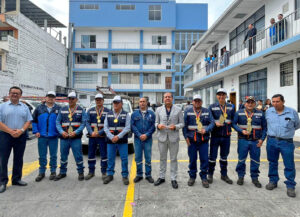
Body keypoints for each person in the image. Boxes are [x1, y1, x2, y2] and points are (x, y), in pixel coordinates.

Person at [265, 94, 300, 198]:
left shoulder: (292, 112)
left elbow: (297, 125)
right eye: (273, 102)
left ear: (283, 102)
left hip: (286, 142)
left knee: (289, 164)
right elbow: (265, 124)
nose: (275, 104)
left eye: (277, 101)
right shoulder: (268, 112)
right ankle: (273, 181)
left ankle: (290, 186)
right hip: (271, 141)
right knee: (272, 162)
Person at [0, 86, 32, 193]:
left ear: (20, 95)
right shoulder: (2, 106)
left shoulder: (25, 107)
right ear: (9, 94)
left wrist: (21, 131)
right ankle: (2, 182)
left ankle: (16, 179)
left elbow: (28, 121)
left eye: (17, 93)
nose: (14, 95)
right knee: (3, 159)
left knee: (19, 158)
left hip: (20, 135)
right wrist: (10, 131)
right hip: (5, 135)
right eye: (12, 93)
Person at [232, 96, 267, 188]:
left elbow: (264, 128)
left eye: (252, 102)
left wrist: (262, 139)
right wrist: (241, 130)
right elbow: (233, 124)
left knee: (255, 161)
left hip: (256, 141)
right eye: (248, 102)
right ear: (245, 103)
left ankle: (255, 178)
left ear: (255, 104)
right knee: (241, 160)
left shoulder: (260, 113)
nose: (250, 104)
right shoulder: (239, 113)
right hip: (243, 140)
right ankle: (240, 176)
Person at [183, 95, 215, 188]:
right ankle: (192, 177)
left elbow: (212, 123)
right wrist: (186, 138)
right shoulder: (188, 111)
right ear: (193, 102)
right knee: (192, 160)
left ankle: (204, 177)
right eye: (195, 101)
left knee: (204, 160)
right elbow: (185, 126)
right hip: (192, 141)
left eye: (199, 101)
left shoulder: (207, 111)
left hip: (203, 140)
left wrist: (206, 130)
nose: (197, 102)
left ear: (201, 102)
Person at [154, 92, 184, 189]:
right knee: (162, 158)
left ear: (172, 98)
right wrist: (158, 126)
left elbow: (182, 123)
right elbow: (155, 122)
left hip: (173, 138)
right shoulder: (158, 110)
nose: (167, 98)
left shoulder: (178, 110)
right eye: (165, 97)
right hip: (162, 138)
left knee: (173, 159)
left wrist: (175, 127)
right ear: (163, 99)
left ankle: (173, 178)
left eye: (169, 97)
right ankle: (161, 177)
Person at [55, 92, 86, 181]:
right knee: (63, 156)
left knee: (78, 156)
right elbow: (57, 122)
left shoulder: (81, 110)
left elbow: (83, 123)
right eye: (69, 98)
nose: (71, 100)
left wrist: (76, 132)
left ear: (76, 99)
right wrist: (61, 132)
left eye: (73, 98)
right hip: (64, 137)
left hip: (75, 138)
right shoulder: (63, 109)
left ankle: (80, 172)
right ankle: (62, 172)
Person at [32, 91, 61, 182]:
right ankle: (42, 172)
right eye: (49, 97)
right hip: (42, 136)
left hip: (54, 136)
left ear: (54, 98)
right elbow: (34, 121)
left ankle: (53, 171)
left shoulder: (58, 108)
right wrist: (36, 131)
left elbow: (61, 122)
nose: (50, 98)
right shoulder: (39, 108)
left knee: (53, 155)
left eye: (52, 97)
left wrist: (59, 132)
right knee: (42, 155)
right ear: (46, 98)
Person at [208, 88, 235, 185]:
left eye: (223, 94)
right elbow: (210, 120)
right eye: (219, 94)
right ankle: (210, 174)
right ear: (217, 96)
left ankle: (224, 175)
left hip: (226, 136)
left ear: (226, 96)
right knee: (212, 157)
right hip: (215, 136)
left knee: (224, 157)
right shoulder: (211, 107)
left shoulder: (231, 107)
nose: (221, 96)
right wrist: (215, 123)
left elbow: (233, 120)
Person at [103, 96, 131, 185]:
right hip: (111, 141)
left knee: (124, 159)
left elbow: (127, 127)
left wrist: (118, 137)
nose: (115, 104)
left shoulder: (126, 114)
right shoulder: (108, 114)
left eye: (117, 102)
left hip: (122, 141)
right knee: (110, 158)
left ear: (121, 104)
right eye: (114, 102)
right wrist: (112, 137)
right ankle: (110, 174)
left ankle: (125, 176)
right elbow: (105, 128)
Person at [85, 93, 110, 180]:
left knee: (104, 154)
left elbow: (108, 124)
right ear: (95, 101)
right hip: (92, 136)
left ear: (103, 101)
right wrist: (91, 132)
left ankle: (104, 172)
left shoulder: (107, 111)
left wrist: (100, 132)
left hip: (102, 136)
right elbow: (87, 122)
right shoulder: (90, 110)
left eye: (100, 99)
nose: (98, 101)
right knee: (91, 154)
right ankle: (91, 172)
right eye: (97, 100)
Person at [131, 97, 156, 183]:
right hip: (138, 140)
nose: (142, 103)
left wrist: (146, 135)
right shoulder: (134, 114)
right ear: (139, 103)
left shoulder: (152, 114)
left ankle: (148, 175)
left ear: (147, 103)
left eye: (143, 101)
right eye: (140, 102)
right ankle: (139, 175)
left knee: (148, 157)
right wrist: (139, 135)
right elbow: (132, 126)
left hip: (148, 139)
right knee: (138, 157)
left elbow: (153, 126)